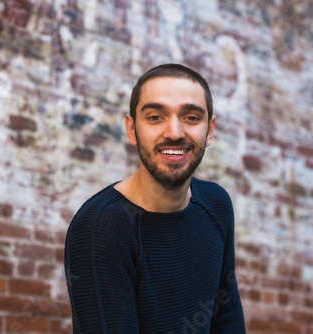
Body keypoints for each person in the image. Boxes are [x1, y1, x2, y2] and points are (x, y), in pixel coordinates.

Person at [64, 63, 246, 333]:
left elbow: (227, 318)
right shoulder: (101, 227)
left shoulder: (216, 206)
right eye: (155, 117)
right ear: (131, 129)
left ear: (209, 130)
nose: (174, 133)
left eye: (191, 118)